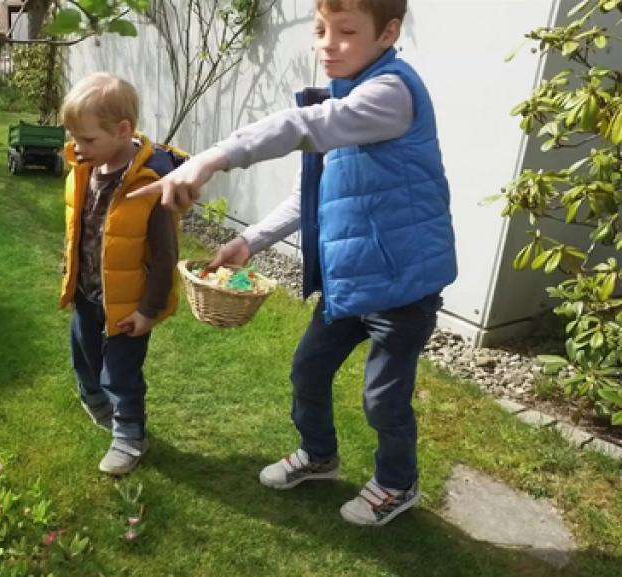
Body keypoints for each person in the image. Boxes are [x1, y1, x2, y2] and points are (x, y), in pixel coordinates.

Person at [130, 0, 456, 525]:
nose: (328, 43)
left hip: (402, 286)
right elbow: (315, 193)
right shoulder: (347, 98)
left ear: (387, 34)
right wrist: (250, 241)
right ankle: (319, 455)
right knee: (307, 370)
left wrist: (213, 158)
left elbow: (301, 126)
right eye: (321, 29)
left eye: (347, 31)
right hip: (350, 283)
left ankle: (398, 483)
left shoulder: (390, 94)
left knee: (383, 400)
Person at [58, 72, 187, 475]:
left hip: (130, 304)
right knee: (84, 357)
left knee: (122, 373)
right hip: (88, 293)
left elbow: (165, 257)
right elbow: (81, 228)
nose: (78, 148)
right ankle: (96, 402)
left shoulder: (150, 185)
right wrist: (72, 271)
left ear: (123, 130)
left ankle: (130, 435)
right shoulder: (85, 169)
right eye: (74, 138)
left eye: (88, 139)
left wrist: (148, 310)